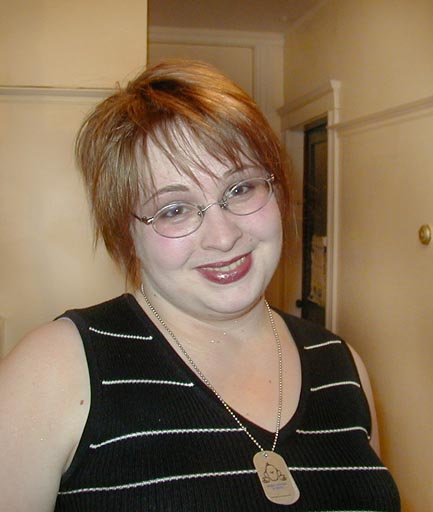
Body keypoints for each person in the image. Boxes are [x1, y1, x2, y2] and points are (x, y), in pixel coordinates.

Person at [0, 59, 400, 511]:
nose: (224, 237)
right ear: (126, 236)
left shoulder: (342, 364)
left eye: (241, 188)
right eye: (173, 210)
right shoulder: (55, 370)